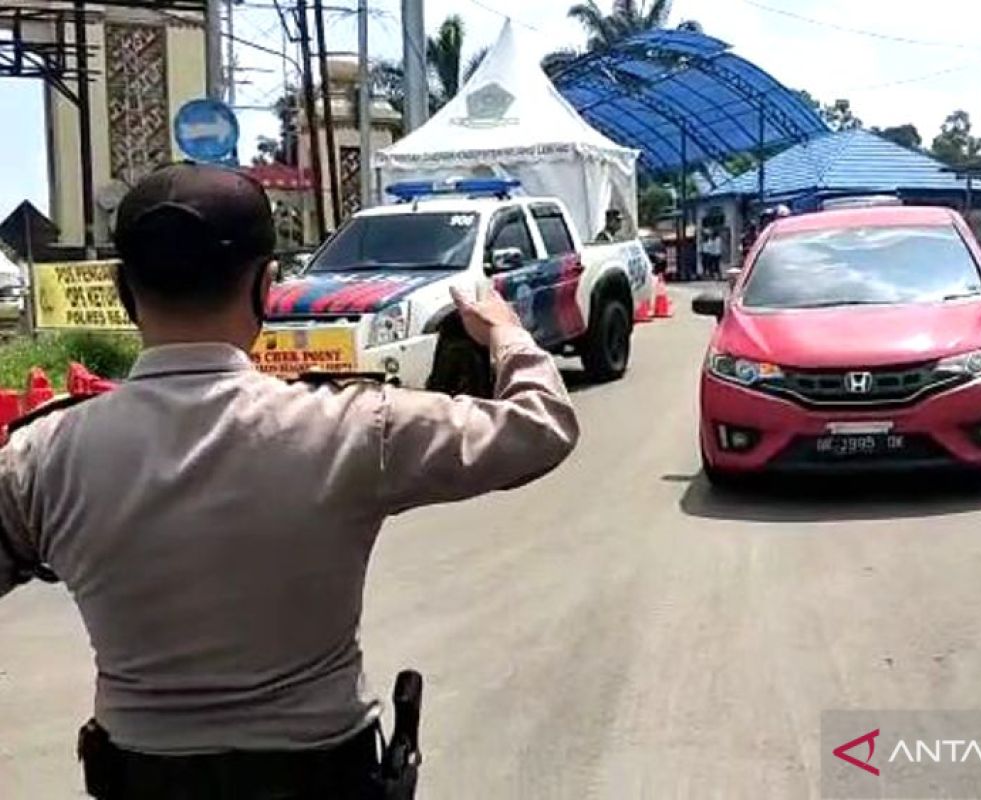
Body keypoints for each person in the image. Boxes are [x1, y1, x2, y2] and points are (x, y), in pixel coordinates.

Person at [0, 163, 579, 799]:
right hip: (321, 777)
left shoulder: (41, 455)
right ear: (267, 287)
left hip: (141, 779)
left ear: (121, 290)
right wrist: (506, 333)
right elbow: (540, 426)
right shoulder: (355, 427)